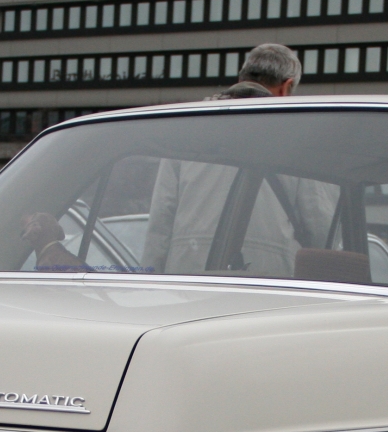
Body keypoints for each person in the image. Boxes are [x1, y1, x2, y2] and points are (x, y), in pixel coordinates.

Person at [23, 43, 328, 274]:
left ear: (243, 77)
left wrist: (153, 276)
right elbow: (320, 228)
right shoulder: (298, 138)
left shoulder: (190, 128)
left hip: (186, 275)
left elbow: (161, 221)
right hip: (269, 280)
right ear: (287, 86)